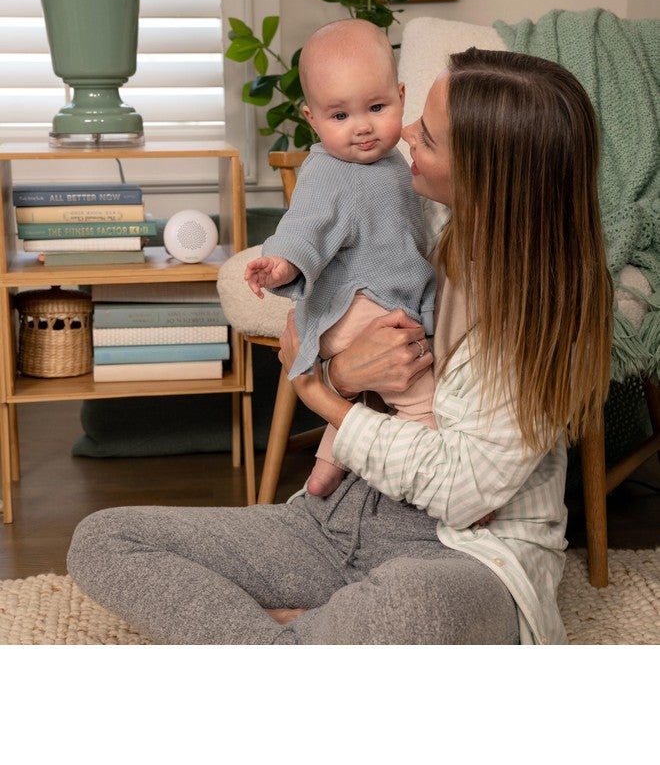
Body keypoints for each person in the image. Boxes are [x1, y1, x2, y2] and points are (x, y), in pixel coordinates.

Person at [67, 47, 613, 645]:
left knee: (409, 603)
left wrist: (316, 392)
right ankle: (306, 638)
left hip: (466, 556)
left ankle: (292, 635)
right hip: (338, 519)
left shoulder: (546, 313)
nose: (402, 133)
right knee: (106, 539)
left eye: (426, 137)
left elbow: (460, 492)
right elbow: (332, 282)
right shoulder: (424, 220)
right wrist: (339, 369)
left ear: (486, 174)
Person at [245, 19, 437, 498]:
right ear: (312, 120)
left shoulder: (395, 159)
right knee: (420, 392)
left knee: (371, 394)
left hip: (382, 294)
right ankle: (442, 481)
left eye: (376, 107)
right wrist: (282, 262)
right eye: (340, 117)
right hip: (354, 304)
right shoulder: (330, 172)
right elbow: (304, 224)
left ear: (401, 95)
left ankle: (325, 469)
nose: (363, 127)